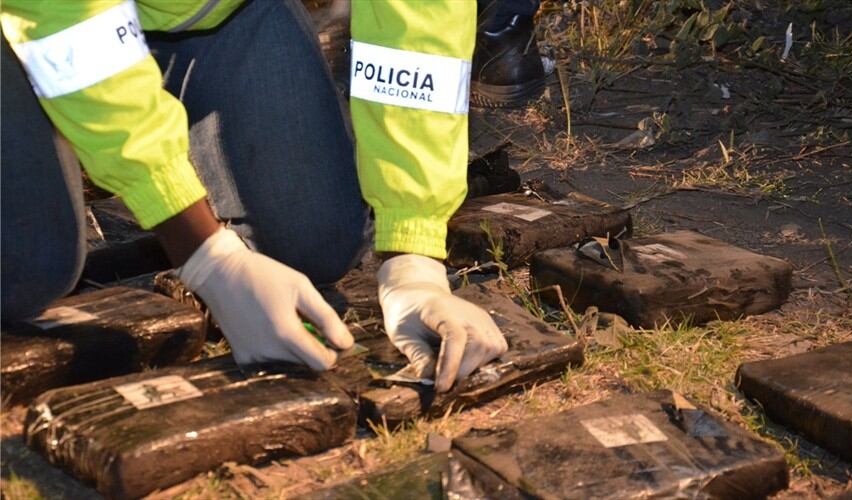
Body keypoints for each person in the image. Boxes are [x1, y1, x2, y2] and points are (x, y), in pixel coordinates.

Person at [1, 0, 508, 393]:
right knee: (29, 265)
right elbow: (70, 29)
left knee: (313, 241)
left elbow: (417, 28)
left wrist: (413, 252)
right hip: (49, 18)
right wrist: (205, 253)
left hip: (218, 15)